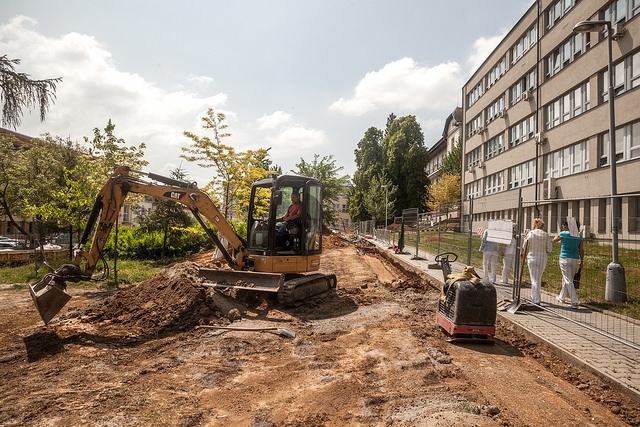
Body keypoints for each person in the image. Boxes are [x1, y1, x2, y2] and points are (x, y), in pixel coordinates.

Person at [553, 219, 584, 309]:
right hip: (575, 258)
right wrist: (581, 261)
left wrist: (561, 232)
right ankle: (561, 297)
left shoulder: (564, 234)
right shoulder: (579, 236)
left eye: (564, 224)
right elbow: (581, 250)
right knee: (567, 278)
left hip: (564, 258)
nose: (563, 226)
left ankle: (574, 301)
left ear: (568, 226)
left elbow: (554, 240)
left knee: (568, 280)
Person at [522, 218, 552, 304]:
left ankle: (536, 299)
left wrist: (523, 253)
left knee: (534, 279)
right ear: (542, 226)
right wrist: (544, 252)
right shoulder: (546, 235)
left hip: (532, 257)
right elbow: (549, 249)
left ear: (534, 225)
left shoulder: (530, 233)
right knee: (538, 278)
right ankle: (534, 295)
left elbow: (525, 245)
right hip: (542, 258)